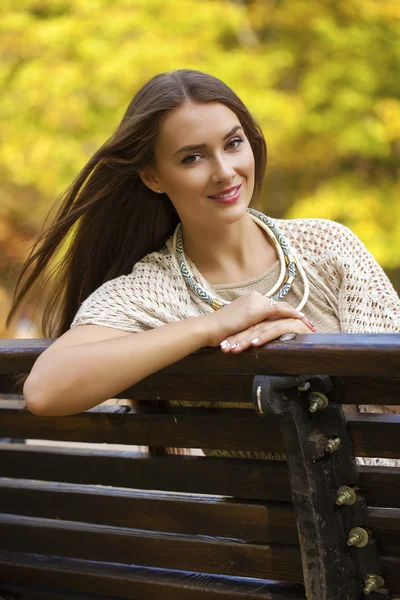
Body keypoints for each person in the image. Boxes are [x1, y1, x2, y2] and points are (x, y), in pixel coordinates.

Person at [7, 69, 400, 464]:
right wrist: (212, 326)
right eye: (192, 157)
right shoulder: (150, 292)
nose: (224, 171)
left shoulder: (327, 247)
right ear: (153, 177)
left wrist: (311, 358)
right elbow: (44, 391)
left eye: (233, 144)